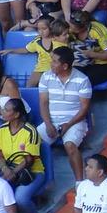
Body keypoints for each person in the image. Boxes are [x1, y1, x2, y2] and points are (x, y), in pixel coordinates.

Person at [37, 47, 92, 182]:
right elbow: (43, 103)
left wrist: (68, 124)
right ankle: (41, 181)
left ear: (65, 66)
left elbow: (84, 109)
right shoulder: (46, 76)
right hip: (51, 121)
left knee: (70, 146)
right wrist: (49, 124)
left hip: (74, 122)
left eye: (54, 61)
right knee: (31, 142)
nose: (51, 64)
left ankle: (79, 183)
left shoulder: (82, 80)